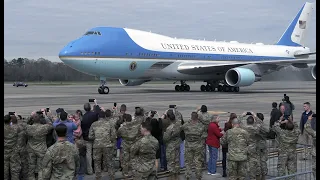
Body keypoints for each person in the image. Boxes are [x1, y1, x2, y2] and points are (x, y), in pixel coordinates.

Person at [89, 110, 117, 180]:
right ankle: (112, 176)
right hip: (107, 145)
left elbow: (90, 136)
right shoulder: (110, 124)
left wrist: (97, 138)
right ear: (105, 116)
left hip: (97, 146)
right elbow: (113, 135)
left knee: (97, 162)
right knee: (109, 161)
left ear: (98, 117)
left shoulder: (94, 124)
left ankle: (98, 177)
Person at [26, 112, 53, 179]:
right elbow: (51, 124)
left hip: (30, 149)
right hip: (41, 149)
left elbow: (23, 123)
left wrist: (30, 116)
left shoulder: (28, 128)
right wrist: (45, 116)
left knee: (31, 167)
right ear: (40, 119)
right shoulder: (44, 127)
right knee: (41, 168)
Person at [182, 112, 207, 180]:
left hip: (188, 146)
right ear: (197, 117)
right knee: (198, 162)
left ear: (191, 117)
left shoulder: (186, 125)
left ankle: (187, 175)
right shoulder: (201, 126)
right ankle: (198, 176)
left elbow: (182, 129)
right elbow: (204, 135)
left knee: (188, 162)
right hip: (198, 146)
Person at [118, 113, 140, 179]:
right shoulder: (136, 126)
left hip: (125, 145)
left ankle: (125, 175)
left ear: (124, 119)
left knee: (125, 161)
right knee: (134, 160)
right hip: (134, 144)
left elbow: (118, 135)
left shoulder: (121, 128)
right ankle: (134, 174)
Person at [81, 102, 99, 175]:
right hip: (94, 136)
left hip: (87, 137)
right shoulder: (94, 115)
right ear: (90, 108)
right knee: (96, 153)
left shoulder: (83, 117)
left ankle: (89, 170)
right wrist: (96, 103)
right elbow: (98, 112)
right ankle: (97, 169)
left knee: (89, 154)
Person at [163, 112, 182, 180]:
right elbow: (179, 117)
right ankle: (177, 175)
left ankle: (172, 176)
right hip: (177, 144)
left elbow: (165, 139)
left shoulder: (169, 128)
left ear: (169, 119)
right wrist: (175, 110)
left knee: (171, 162)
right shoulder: (179, 124)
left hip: (171, 146)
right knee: (176, 160)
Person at [4, 114, 21, 180]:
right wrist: (17, 118)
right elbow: (20, 126)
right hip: (14, 151)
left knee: (5, 170)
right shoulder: (16, 128)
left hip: (5, 151)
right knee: (14, 171)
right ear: (10, 120)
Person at [221, 113, 236, 177]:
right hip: (232, 144)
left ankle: (224, 171)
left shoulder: (227, 124)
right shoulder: (236, 125)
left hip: (226, 144)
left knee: (224, 157)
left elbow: (225, 130)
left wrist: (227, 122)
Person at [304, 113, 316, 179]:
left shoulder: (314, 134)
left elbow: (306, 127)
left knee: (314, 168)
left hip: (315, 154)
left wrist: (309, 119)